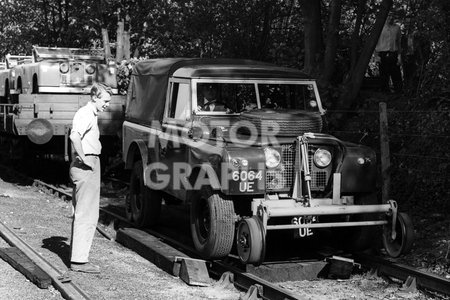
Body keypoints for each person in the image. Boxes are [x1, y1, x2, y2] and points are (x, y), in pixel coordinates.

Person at [69, 83, 111, 273]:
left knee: (83, 211)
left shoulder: (88, 113)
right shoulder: (86, 113)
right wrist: (85, 159)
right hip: (87, 164)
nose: (107, 104)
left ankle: (78, 257)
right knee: (87, 213)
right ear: (94, 97)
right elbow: (74, 136)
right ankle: (79, 261)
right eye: (105, 100)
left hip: (87, 163)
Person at [375, 14, 403, 93]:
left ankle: (399, 93)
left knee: (396, 74)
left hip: (393, 53)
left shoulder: (397, 28)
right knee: (384, 75)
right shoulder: (380, 27)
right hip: (382, 54)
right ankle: (385, 94)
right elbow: (375, 42)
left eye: (392, 16)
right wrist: (376, 56)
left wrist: (399, 56)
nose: (390, 18)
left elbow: (398, 42)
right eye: (389, 16)